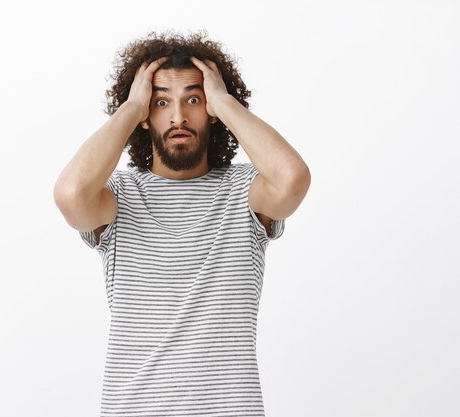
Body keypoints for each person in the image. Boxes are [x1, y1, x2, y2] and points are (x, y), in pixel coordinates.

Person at [54, 31, 311, 417]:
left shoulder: (244, 192)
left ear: (211, 110)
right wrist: (129, 110)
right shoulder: (117, 196)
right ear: (144, 115)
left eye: (193, 99)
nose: (178, 116)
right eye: (160, 102)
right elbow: (71, 195)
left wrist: (224, 101)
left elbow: (292, 179)